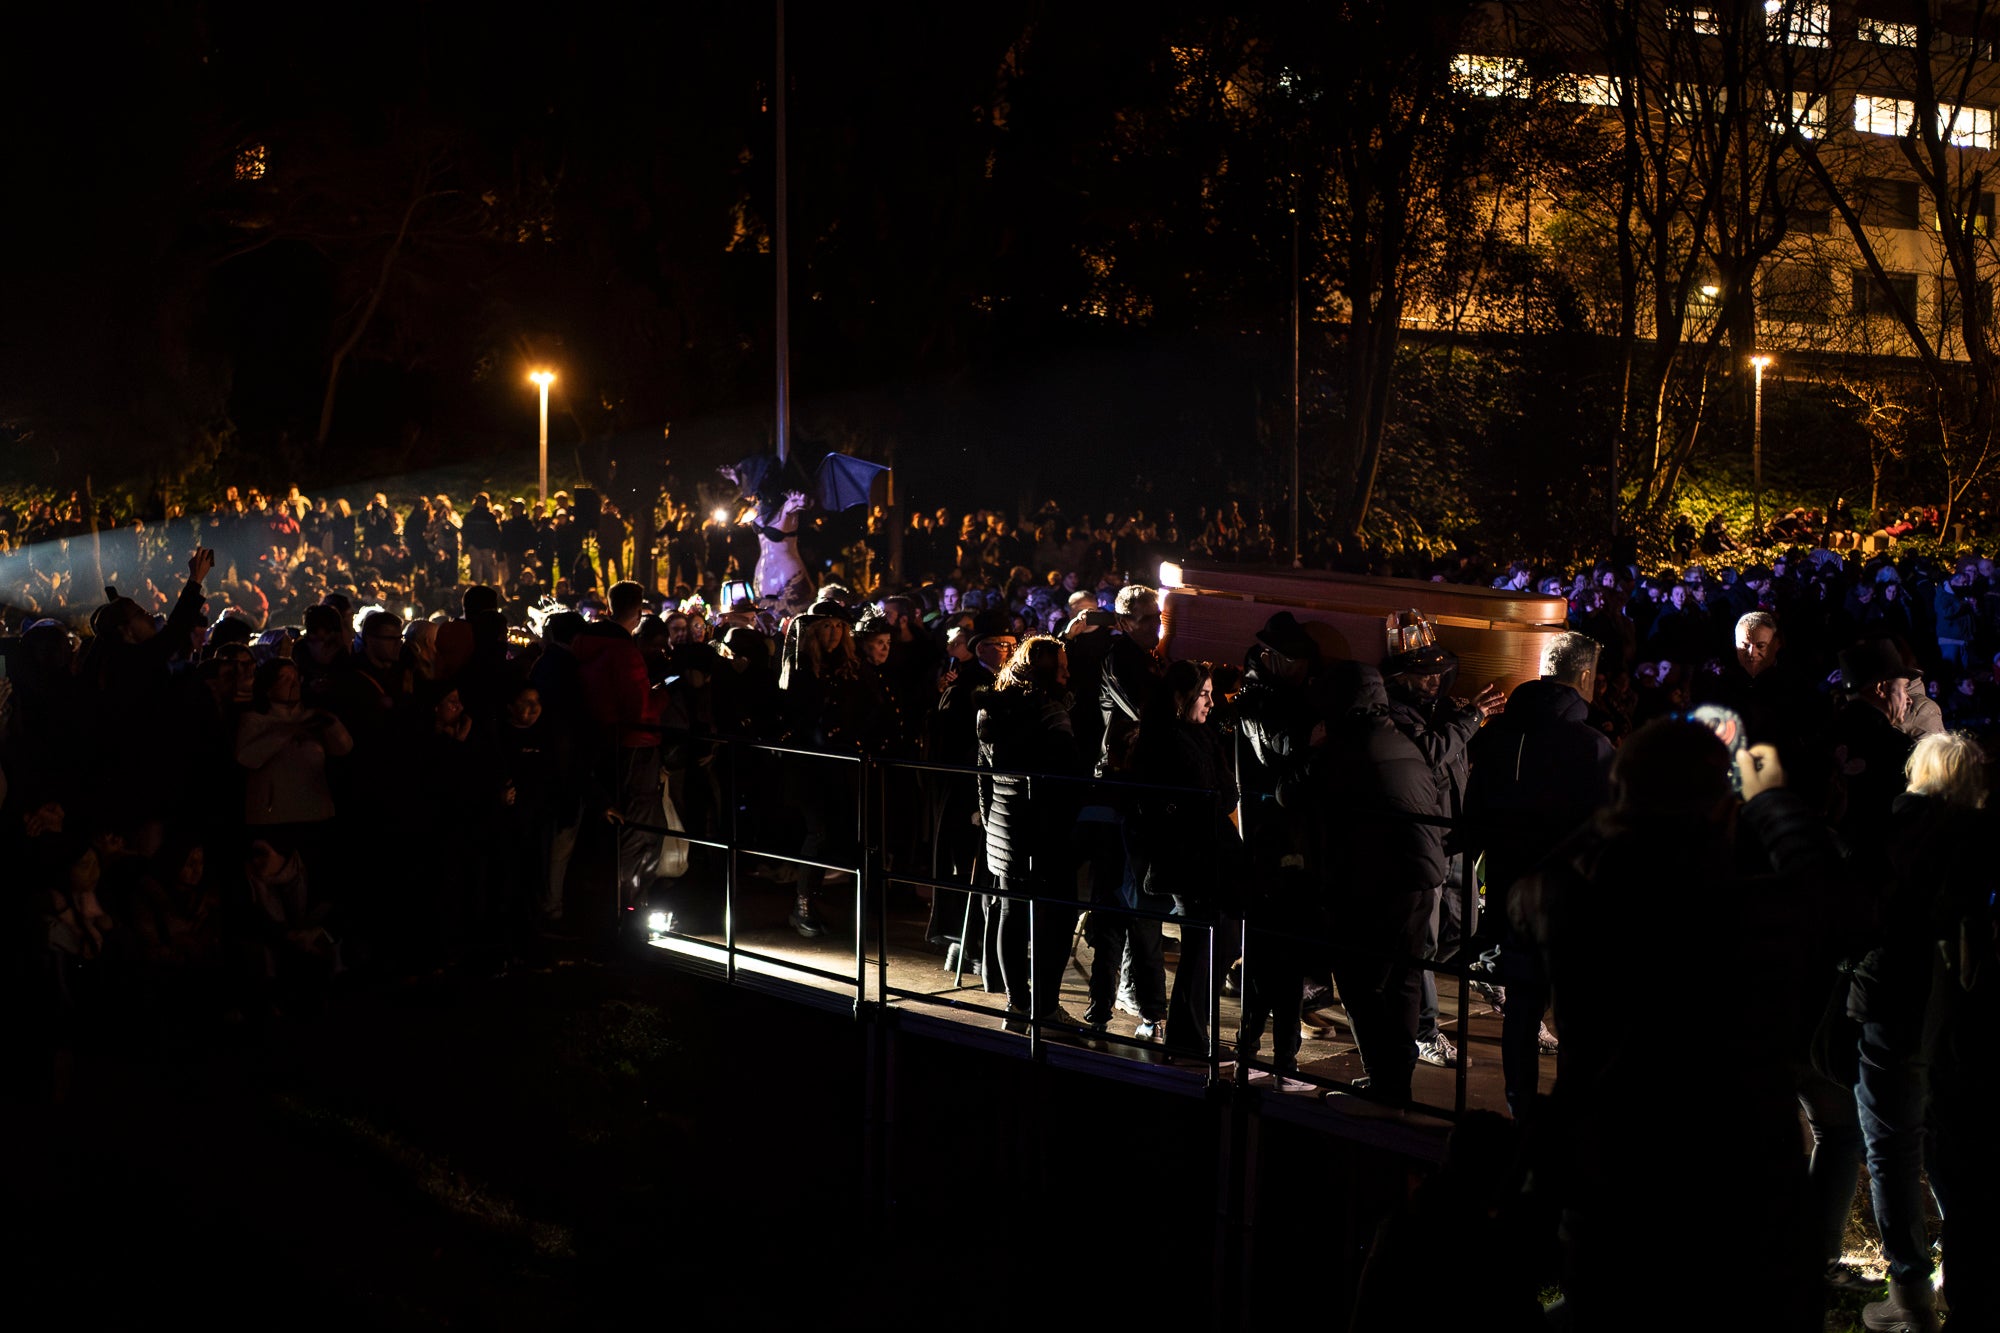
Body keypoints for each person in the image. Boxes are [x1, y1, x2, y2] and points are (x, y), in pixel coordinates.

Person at [1852, 732, 1987, 1333]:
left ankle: (1910, 1293)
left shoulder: (1900, 827)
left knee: (1892, 1147)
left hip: (1893, 1004)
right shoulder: (1980, 841)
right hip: (1957, 1017)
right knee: (1954, 1150)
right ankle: (1959, 1276)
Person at [1463, 631, 1611, 1116]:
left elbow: (1474, 817)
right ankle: (1571, 1116)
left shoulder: (1494, 738)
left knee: (1522, 1009)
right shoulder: (1592, 747)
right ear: (1585, 676)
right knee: (1575, 1013)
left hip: (1511, 894)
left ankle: (1519, 1108)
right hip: (1573, 903)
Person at [1293, 659, 1444, 1107]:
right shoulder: (1400, 738)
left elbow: (1296, 795)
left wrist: (1310, 751)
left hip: (1376, 883)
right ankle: (1398, 1083)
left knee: (1361, 983)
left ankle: (1382, 1080)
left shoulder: (1342, 748)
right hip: (1420, 876)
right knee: (1404, 981)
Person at [1382, 609, 1504, 1067]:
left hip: (1453, 833)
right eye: (1424, 675)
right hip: (1424, 836)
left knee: (1465, 928)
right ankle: (1425, 1031)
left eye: (1438, 673)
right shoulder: (1393, 713)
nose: (1434, 682)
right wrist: (1470, 719)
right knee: (1424, 943)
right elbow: (1428, 755)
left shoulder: (1441, 710)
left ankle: (1471, 978)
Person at [1127, 660, 1241, 1060]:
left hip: (1208, 851)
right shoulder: (1164, 741)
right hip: (1187, 856)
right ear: (1180, 698)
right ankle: (1188, 1035)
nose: (1212, 702)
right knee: (1205, 941)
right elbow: (1198, 797)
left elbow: (1225, 794)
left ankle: (1189, 1032)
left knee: (1219, 936)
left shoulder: (1202, 734)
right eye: (1204, 694)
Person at [976, 635, 1086, 1030]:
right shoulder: (1051, 712)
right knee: (1056, 920)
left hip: (1006, 828)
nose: (1068, 673)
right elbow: (1068, 777)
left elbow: (983, 777)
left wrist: (991, 824)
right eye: (1061, 667)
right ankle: (1047, 1009)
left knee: (1012, 914)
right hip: (1047, 830)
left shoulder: (994, 709)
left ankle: (1017, 1005)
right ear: (1044, 672)